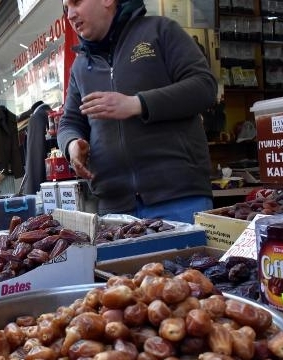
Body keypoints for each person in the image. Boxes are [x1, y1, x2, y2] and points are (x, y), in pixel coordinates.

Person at [58, 0, 217, 224]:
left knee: (189, 260)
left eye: (76, 2)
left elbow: (204, 87)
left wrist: (137, 104)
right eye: (66, 8)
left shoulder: (160, 31)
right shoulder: (80, 66)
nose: (70, 15)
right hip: (114, 210)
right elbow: (69, 122)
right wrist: (72, 144)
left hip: (179, 198)